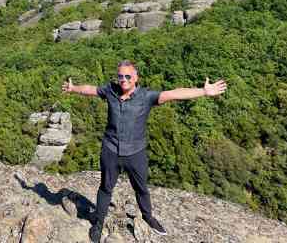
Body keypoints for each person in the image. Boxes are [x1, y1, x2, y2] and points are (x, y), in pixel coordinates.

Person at [62, 60, 227, 241]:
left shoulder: (146, 96)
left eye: (127, 76)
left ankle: (148, 217)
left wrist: (203, 91)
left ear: (136, 78)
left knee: (141, 188)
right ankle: (98, 223)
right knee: (106, 187)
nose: (123, 80)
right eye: (120, 76)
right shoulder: (110, 91)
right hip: (111, 150)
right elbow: (90, 90)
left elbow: (173, 94)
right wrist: (73, 88)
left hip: (135, 153)